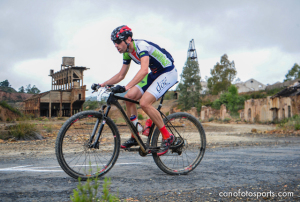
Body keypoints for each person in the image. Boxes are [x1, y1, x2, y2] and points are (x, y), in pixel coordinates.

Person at [92, 25, 178, 156]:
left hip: (168, 72)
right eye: (114, 43)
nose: (116, 45)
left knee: (144, 103)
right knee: (130, 96)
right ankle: (135, 136)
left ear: (128, 39)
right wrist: (103, 84)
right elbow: (121, 75)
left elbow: (143, 70)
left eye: (117, 42)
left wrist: (126, 86)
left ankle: (168, 136)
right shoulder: (127, 52)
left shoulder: (141, 46)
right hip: (155, 73)